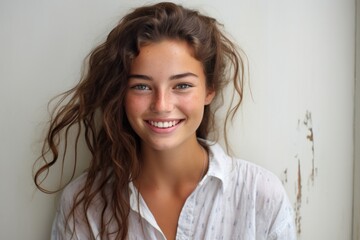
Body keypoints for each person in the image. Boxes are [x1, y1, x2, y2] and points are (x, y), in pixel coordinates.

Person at [34, 2, 296, 240]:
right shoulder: (84, 205)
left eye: (181, 85)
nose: (161, 105)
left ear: (209, 90)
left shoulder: (260, 196)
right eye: (142, 87)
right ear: (121, 93)